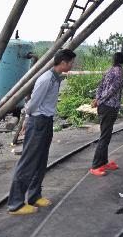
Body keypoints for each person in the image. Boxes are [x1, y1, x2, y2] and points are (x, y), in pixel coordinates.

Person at [7, 48, 76, 215]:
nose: (73, 65)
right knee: (28, 162)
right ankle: (15, 204)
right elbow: (32, 103)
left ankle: (34, 195)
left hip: (46, 121)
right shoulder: (46, 79)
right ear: (63, 63)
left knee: (40, 161)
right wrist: (27, 120)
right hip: (38, 122)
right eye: (72, 62)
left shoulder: (55, 78)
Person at [89, 51, 123, 176]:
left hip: (104, 107)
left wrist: (97, 99)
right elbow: (113, 89)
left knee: (106, 135)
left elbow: (100, 86)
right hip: (109, 107)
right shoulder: (119, 71)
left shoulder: (110, 70)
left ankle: (103, 162)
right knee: (105, 136)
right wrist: (99, 100)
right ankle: (96, 165)